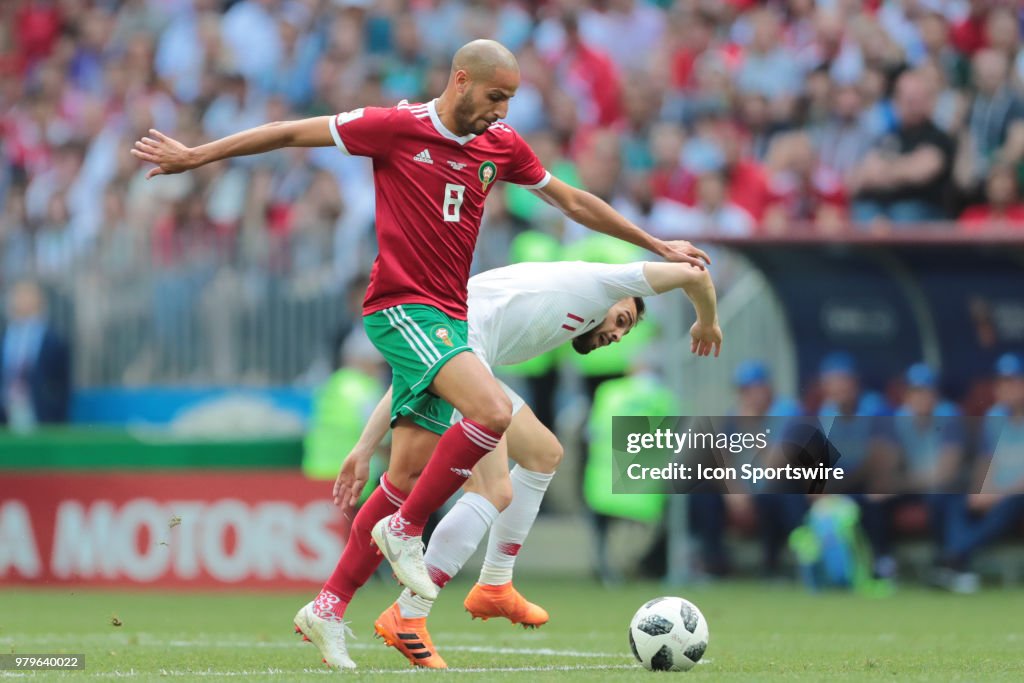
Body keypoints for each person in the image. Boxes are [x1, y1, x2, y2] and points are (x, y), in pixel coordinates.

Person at [131, 39, 707, 669]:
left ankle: (327, 608)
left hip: (448, 322)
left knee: (403, 475)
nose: (502, 110)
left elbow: (572, 200)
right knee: (489, 414)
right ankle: (407, 535)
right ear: (461, 81)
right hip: (402, 307)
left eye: (511, 99)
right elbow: (289, 133)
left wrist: (655, 241)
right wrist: (198, 156)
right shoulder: (393, 127)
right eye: (495, 96)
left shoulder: (501, 146)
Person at [334, 259, 720, 667]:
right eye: (622, 320)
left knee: (544, 454)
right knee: (490, 489)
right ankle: (408, 613)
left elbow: (412, 370)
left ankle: (492, 583)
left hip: (457, 356)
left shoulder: (564, 310)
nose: (618, 334)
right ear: (614, 297)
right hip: (460, 355)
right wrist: (707, 322)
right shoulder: (601, 284)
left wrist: (364, 445)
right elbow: (694, 274)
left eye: (626, 331)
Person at [0, 280, 71, 429]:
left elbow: (62, 383)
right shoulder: (6, 336)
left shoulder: (53, 340)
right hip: (6, 410)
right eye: (18, 295)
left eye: (28, 295)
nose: (22, 300)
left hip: (39, 412)